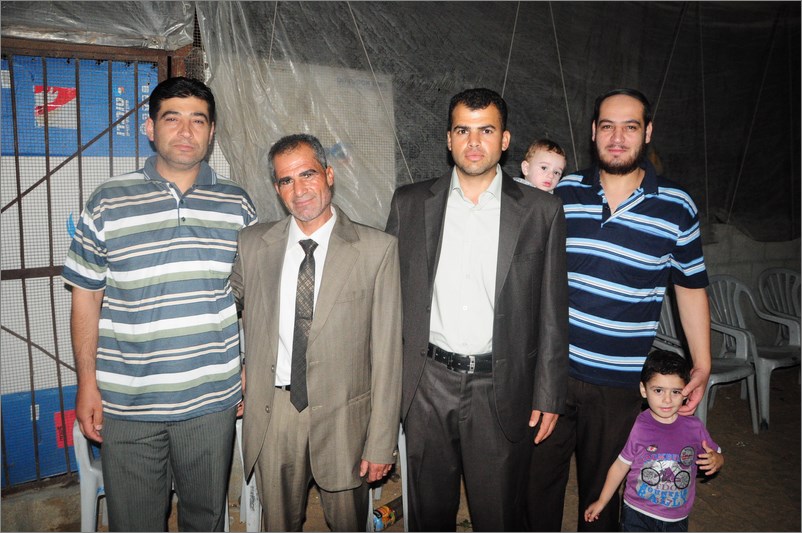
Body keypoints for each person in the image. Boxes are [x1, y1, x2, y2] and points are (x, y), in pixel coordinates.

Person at [62, 76, 257, 531]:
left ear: (212, 132)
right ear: (150, 128)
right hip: (128, 404)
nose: (186, 131)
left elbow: (255, 295)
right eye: (173, 119)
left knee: (206, 518)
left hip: (212, 399)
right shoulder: (108, 201)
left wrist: (250, 363)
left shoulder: (237, 204)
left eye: (198, 121)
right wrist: (87, 382)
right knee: (134, 522)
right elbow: (86, 296)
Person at [526, 88, 712, 532]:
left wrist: (703, 363)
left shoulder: (677, 205)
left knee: (602, 502)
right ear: (593, 132)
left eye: (630, 127)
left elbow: (689, 287)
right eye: (607, 125)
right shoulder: (561, 192)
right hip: (551, 375)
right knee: (535, 491)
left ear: (647, 133)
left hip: (620, 384)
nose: (617, 137)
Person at [385, 87, 569, 531]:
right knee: (428, 515)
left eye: (486, 130)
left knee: (499, 514)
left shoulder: (541, 211)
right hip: (426, 384)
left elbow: (553, 310)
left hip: (501, 385)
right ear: (448, 139)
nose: (473, 142)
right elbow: (387, 299)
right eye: (462, 131)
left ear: (504, 140)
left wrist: (548, 393)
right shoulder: (409, 203)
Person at [230, 133, 402, 531]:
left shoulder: (376, 250)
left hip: (345, 418)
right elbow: (217, 310)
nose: (299, 189)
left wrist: (381, 441)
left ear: (329, 175)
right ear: (277, 189)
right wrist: (233, 369)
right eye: (286, 180)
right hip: (274, 414)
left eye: (307, 174)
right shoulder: (253, 245)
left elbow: (388, 355)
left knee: (347, 523)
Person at [584, 349, 724, 531]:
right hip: (637, 512)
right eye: (658, 390)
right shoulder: (637, 426)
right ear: (644, 389)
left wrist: (717, 460)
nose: (667, 400)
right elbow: (620, 466)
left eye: (676, 392)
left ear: (686, 392)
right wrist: (602, 501)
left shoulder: (694, 427)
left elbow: (717, 454)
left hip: (677, 517)